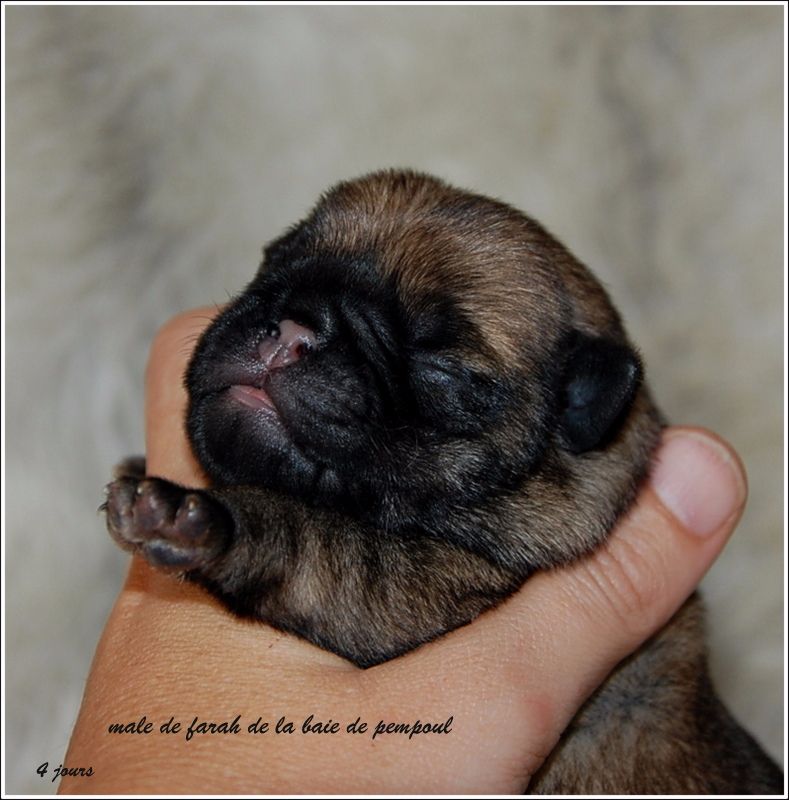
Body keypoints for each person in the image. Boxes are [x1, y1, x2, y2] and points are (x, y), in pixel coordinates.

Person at [58, 309, 748, 794]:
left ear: (577, 408)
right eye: (284, 273)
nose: (292, 337)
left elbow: (376, 592)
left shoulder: (499, 551)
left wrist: (239, 534)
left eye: (439, 368)